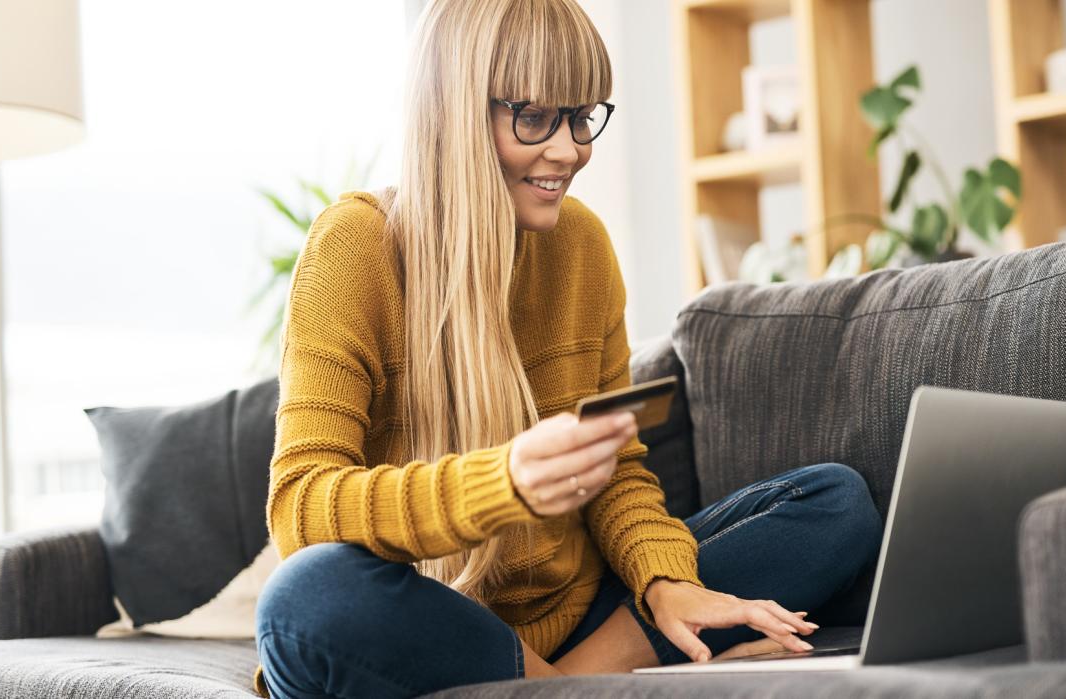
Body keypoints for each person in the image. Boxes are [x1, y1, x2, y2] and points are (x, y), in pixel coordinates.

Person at [253, 1, 883, 697]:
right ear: (455, 112)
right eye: (534, 118)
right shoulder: (353, 249)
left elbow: (617, 470)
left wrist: (665, 579)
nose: (571, 150)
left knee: (835, 503)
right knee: (303, 602)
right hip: (427, 623)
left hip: (577, 618)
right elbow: (301, 507)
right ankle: (587, 685)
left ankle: (567, 683)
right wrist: (505, 482)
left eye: (582, 115)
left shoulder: (582, 246)